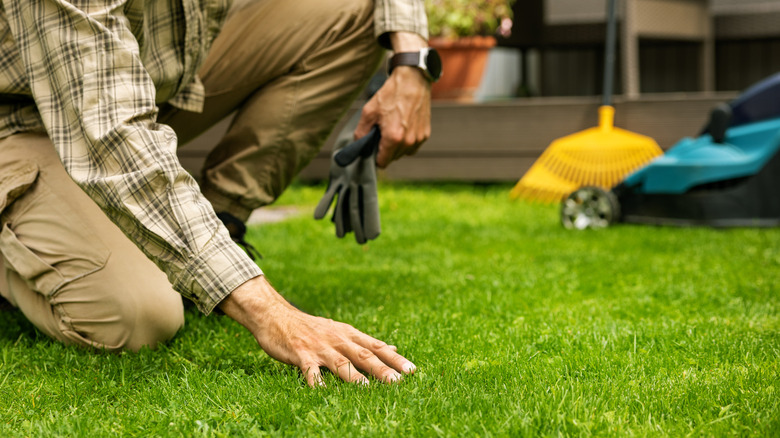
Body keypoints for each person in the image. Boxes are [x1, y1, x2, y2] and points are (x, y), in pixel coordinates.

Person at [0, 0, 438, 386]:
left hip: (151, 77)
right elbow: (113, 135)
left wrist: (413, 63)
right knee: (139, 317)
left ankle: (218, 231)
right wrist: (270, 313)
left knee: (355, 12)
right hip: (25, 118)